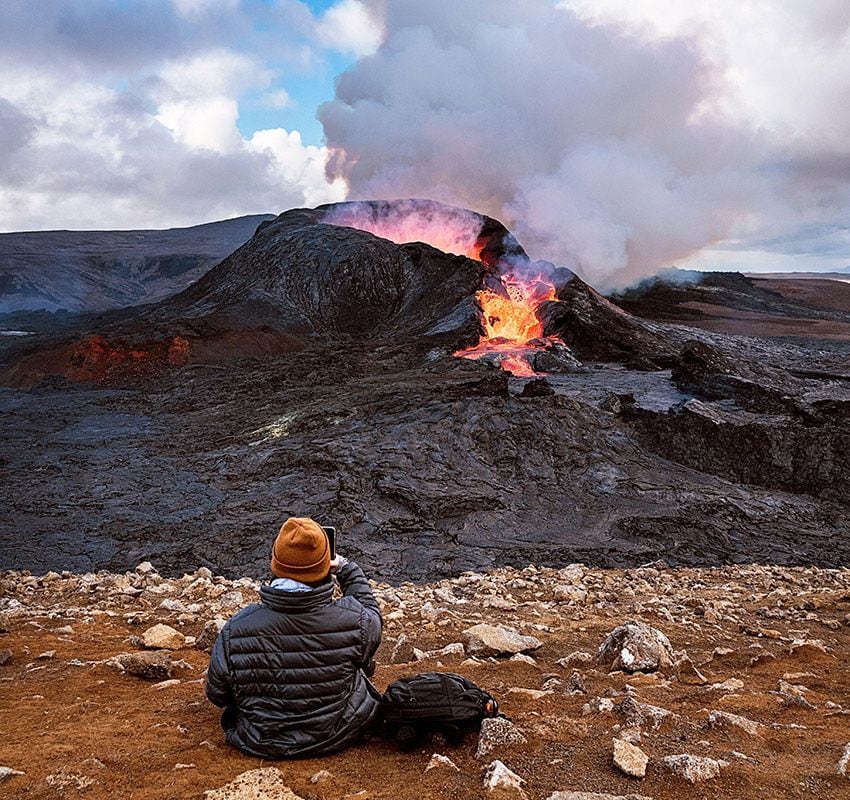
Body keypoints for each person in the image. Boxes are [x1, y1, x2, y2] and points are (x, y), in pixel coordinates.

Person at [205, 517, 382, 758]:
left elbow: (217, 694)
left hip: (259, 741)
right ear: (325, 567)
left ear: (275, 563)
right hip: (335, 736)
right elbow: (372, 615)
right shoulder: (356, 620)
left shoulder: (237, 626)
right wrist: (347, 569)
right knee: (361, 663)